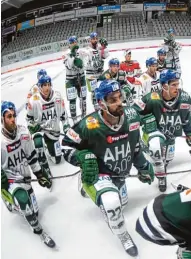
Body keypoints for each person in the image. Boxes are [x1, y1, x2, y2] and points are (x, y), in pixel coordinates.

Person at [62, 80, 155, 257]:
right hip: (101, 174)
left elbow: (135, 147)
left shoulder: (132, 117)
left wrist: (143, 166)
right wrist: (80, 157)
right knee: (112, 204)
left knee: (122, 204)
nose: (119, 102)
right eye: (113, 100)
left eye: (120, 97)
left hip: (120, 174)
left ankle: (99, 194)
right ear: (101, 103)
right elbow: (65, 146)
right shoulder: (89, 125)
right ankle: (123, 235)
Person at [1, 101, 55, 248]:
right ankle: (39, 231)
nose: (12, 119)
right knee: (23, 200)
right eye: (8, 116)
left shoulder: (23, 133)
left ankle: (16, 203)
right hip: (10, 179)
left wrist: (39, 174)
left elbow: (31, 157)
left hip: (25, 177)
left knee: (34, 212)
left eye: (14, 116)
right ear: (2, 119)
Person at [133, 69, 191, 191]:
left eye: (178, 84)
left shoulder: (184, 98)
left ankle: (146, 148)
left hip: (170, 136)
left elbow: (186, 118)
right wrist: (145, 119)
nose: (177, 88)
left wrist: (189, 133)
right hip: (154, 133)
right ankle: (161, 175)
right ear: (164, 86)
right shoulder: (152, 98)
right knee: (157, 150)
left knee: (167, 159)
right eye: (173, 85)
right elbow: (131, 114)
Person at [26, 75, 68, 188]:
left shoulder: (58, 96)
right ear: (39, 86)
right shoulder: (33, 101)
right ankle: (44, 170)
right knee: (38, 144)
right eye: (44, 85)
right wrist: (33, 126)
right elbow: (28, 119)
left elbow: (63, 114)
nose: (47, 87)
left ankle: (49, 151)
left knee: (57, 159)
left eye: (49, 84)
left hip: (53, 130)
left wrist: (67, 127)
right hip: (40, 130)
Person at [63, 36, 87, 123]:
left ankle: (84, 116)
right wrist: (72, 55)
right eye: (72, 42)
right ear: (69, 44)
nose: (74, 43)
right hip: (70, 80)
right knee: (72, 100)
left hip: (81, 77)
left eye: (75, 42)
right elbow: (69, 66)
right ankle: (74, 121)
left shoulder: (81, 52)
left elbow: (86, 64)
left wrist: (82, 66)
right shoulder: (66, 54)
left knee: (83, 98)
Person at [84, 32, 109, 110]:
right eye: (93, 39)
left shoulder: (99, 47)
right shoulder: (87, 50)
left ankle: (104, 103)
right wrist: (93, 64)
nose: (95, 40)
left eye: (96, 38)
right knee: (94, 91)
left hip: (100, 73)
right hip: (91, 74)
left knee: (102, 88)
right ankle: (95, 106)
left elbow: (105, 56)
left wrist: (104, 48)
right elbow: (85, 64)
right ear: (90, 40)